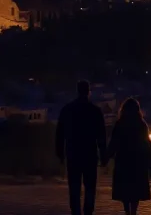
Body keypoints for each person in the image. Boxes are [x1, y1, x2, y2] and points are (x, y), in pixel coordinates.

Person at [56, 80, 108, 215]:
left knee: (74, 186)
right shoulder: (95, 111)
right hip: (89, 153)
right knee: (90, 186)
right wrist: (103, 155)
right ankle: (88, 211)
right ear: (88, 92)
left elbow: (60, 134)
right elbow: (101, 135)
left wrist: (60, 153)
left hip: (73, 153)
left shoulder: (67, 110)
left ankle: (76, 211)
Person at [108, 98, 151, 215]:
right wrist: (150, 162)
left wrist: (108, 155)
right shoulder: (142, 124)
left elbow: (114, 142)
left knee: (125, 187)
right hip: (138, 161)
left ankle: (127, 210)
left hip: (123, 160)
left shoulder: (120, 124)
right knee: (136, 188)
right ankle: (133, 210)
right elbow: (147, 144)